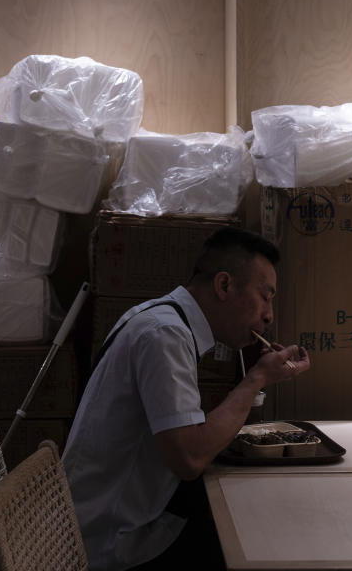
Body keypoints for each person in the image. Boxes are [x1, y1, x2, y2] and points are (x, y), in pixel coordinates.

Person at [63, 227, 311, 571]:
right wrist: (257, 378)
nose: (268, 315)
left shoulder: (158, 316)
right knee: (253, 532)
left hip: (113, 518)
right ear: (224, 285)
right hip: (113, 541)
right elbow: (190, 458)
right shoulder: (164, 335)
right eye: (264, 296)